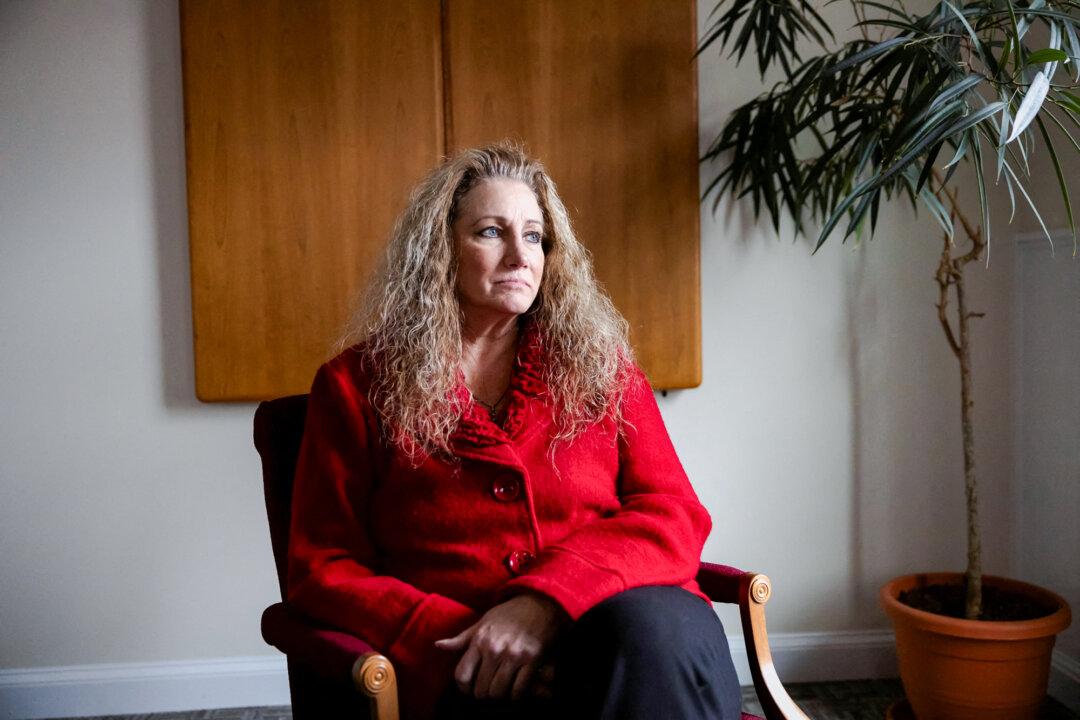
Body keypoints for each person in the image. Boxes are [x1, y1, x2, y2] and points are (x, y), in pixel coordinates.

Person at [286, 143, 742, 719]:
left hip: (632, 633)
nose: (520, 256)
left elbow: (673, 512)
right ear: (439, 250)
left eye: (534, 237)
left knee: (648, 634)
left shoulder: (601, 368)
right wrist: (468, 641)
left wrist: (544, 602)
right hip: (471, 669)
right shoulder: (356, 385)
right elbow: (324, 567)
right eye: (490, 232)